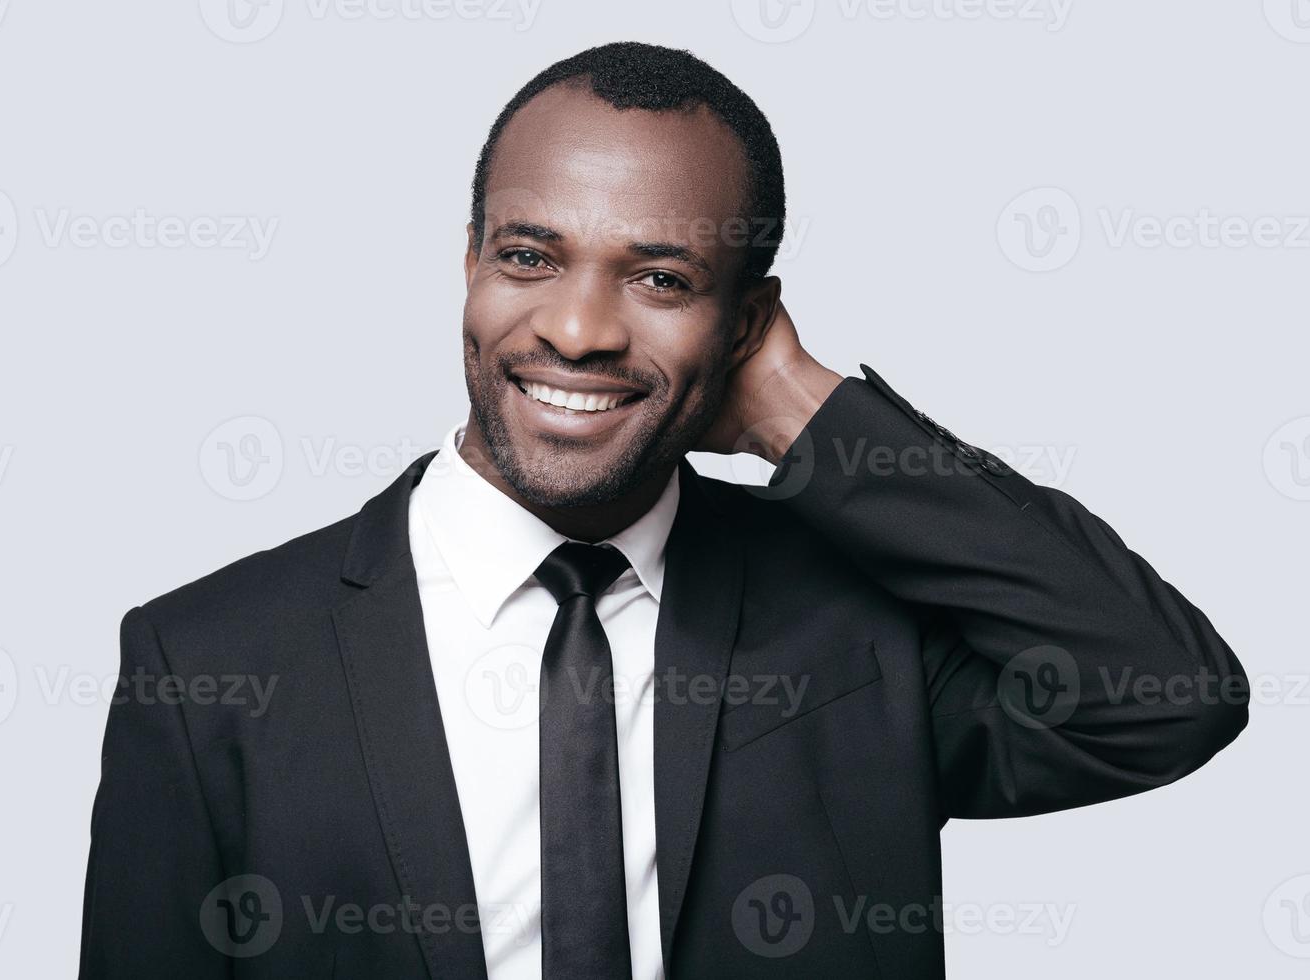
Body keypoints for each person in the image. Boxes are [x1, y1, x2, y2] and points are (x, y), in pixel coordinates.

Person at [78, 41, 1248, 980]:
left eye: (660, 278)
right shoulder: (209, 662)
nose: (578, 328)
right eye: (529, 256)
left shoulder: (853, 635)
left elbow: (1158, 695)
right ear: (469, 263)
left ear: (743, 321)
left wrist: (801, 405)